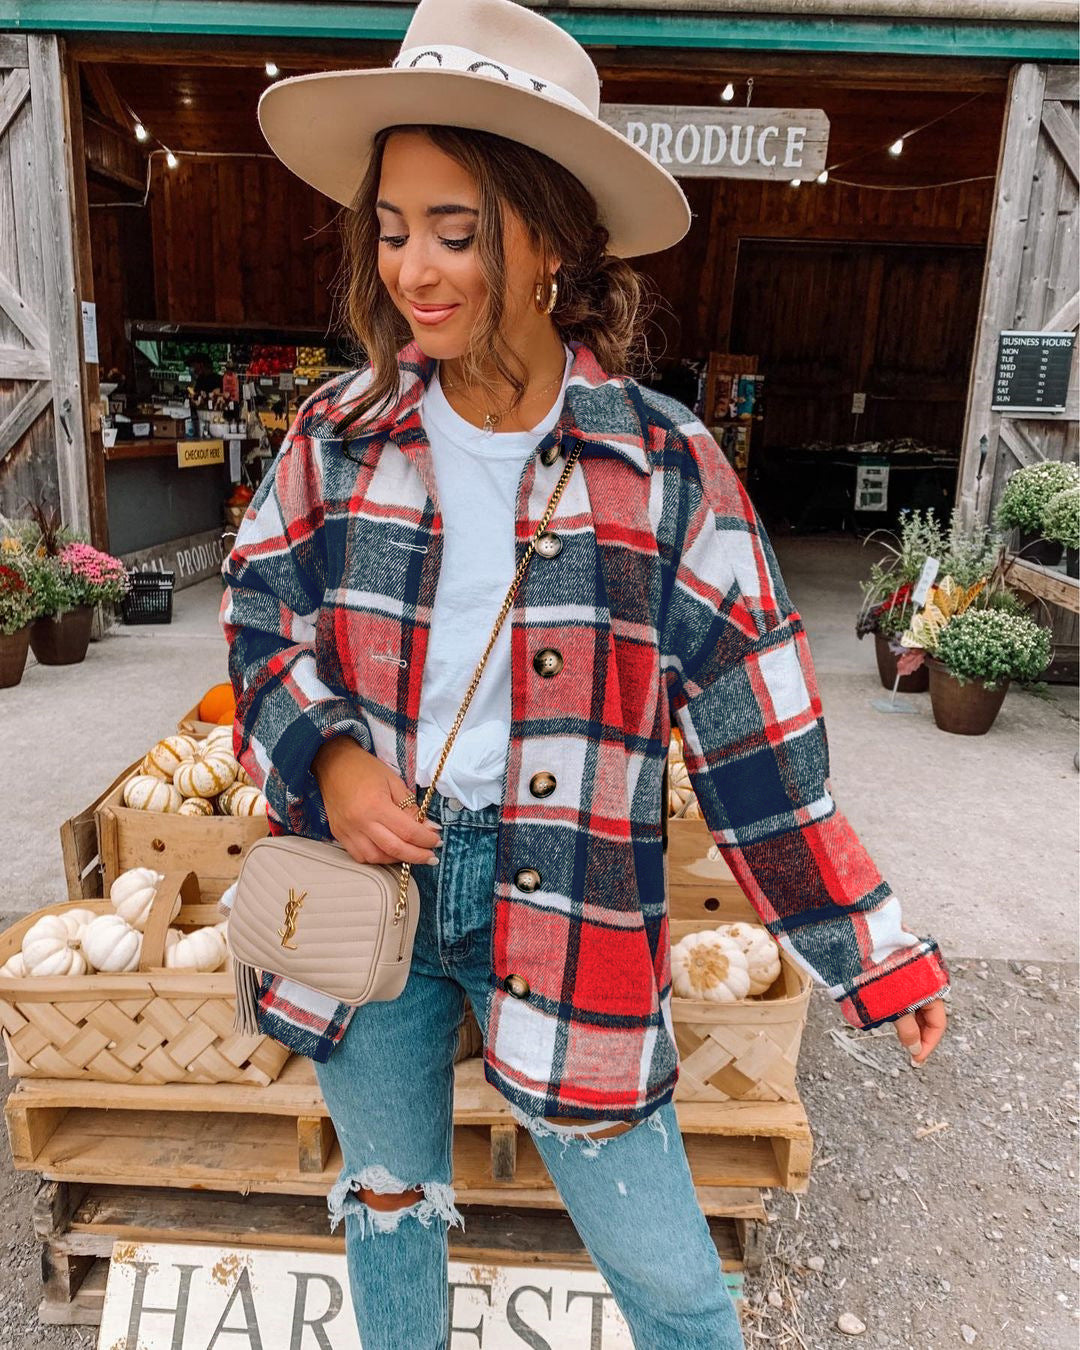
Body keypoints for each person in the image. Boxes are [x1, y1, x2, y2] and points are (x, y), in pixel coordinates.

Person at [221, 2, 950, 1346]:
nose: (413, 272)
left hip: (567, 894)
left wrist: (872, 949)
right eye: (392, 229)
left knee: (670, 1280)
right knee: (390, 1201)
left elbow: (756, 747)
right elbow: (261, 614)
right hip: (367, 884)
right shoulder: (341, 435)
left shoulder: (667, 473)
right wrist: (327, 753)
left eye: (455, 229)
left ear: (549, 236)